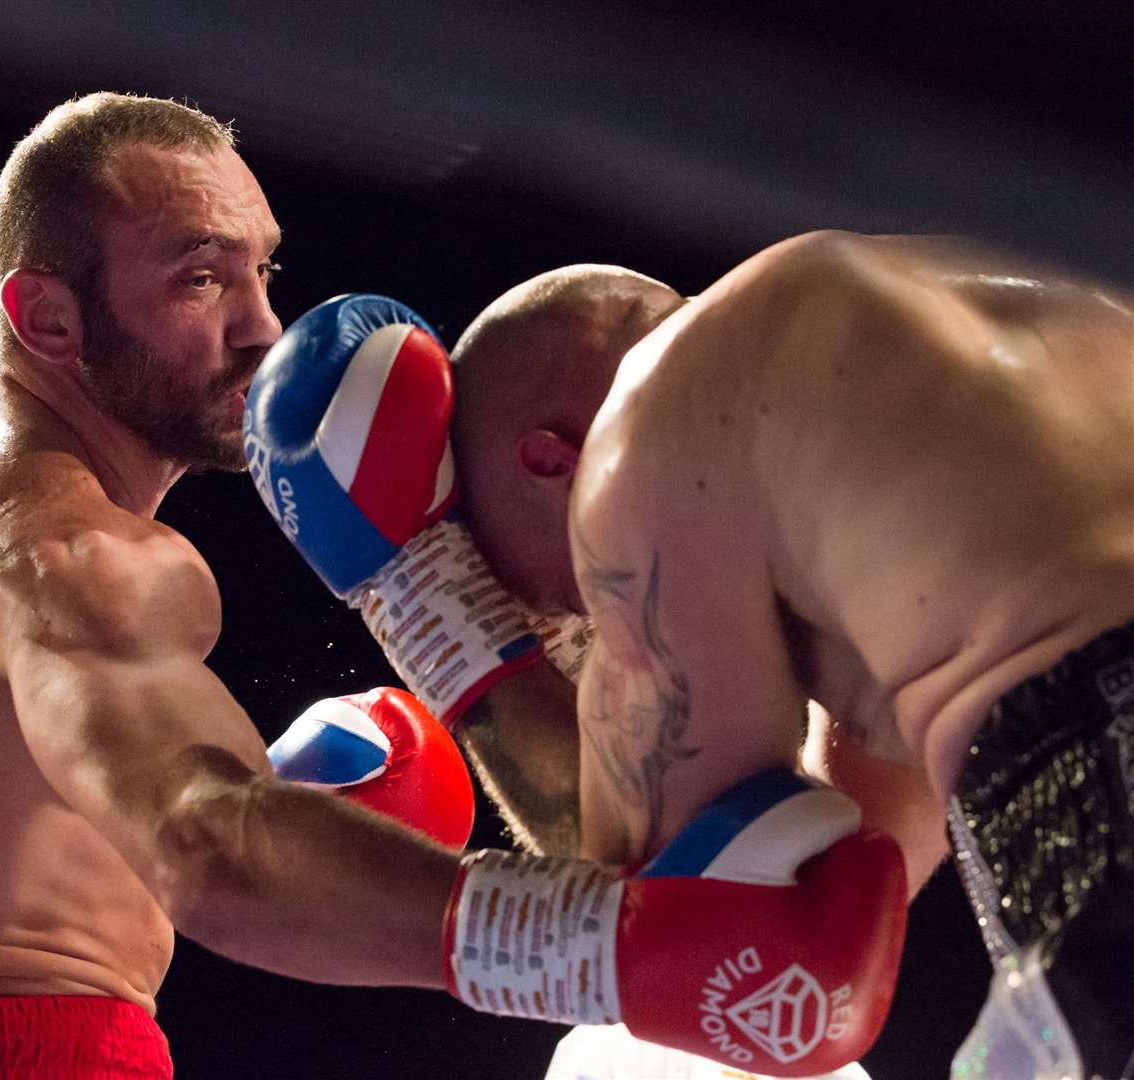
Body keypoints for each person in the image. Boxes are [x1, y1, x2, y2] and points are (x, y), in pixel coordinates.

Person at [0, 92, 481, 1079]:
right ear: (46, 317)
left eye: (260, 269)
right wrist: (578, 937)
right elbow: (212, 855)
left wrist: (275, 789)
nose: (263, 329)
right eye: (199, 278)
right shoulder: (79, 550)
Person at [430, 238, 1134, 1077]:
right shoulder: (934, 333)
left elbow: (683, 919)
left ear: (551, 462)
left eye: (555, 601)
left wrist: (430, 602)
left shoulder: (649, 433)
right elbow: (843, 859)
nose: (588, 625)